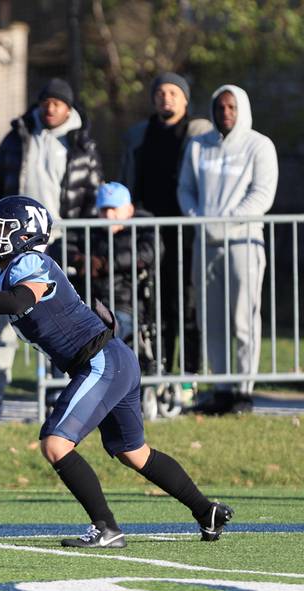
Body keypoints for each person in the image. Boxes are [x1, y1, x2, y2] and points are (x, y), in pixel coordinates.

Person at [0, 195, 232, 547]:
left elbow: (18, 301)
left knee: (55, 444)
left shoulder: (30, 262)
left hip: (101, 361)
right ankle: (207, 511)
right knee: (134, 452)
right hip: (109, 360)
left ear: (25, 235)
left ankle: (107, 527)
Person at [0, 77, 102, 413]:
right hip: (13, 239)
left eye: (58, 103)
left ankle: (55, 387)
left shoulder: (82, 143)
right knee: (4, 311)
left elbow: (91, 195)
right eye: (46, 102)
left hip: (61, 240)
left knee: (56, 316)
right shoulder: (18, 136)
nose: (50, 108)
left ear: (69, 107)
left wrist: (82, 243)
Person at [178, 85, 278, 415]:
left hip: (243, 241)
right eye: (220, 107)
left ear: (242, 109)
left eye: (232, 107)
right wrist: (199, 219)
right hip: (205, 243)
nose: (226, 113)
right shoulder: (198, 145)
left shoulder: (259, 145)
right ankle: (221, 389)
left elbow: (262, 194)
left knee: (243, 318)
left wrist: (228, 221)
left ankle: (243, 391)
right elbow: (186, 189)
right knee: (212, 319)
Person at [121, 72, 212, 395]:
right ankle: (158, 374)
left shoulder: (200, 136)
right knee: (153, 307)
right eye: (160, 92)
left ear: (185, 99)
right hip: (148, 235)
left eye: (174, 92)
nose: (166, 98)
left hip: (186, 234)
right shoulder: (139, 137)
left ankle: (187, 376)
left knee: (186, 306)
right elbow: (129, 182)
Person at [66, 182, 160, 344]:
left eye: (114, 209)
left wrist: (106, 264)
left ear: (129, 210)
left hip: (125, 307)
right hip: (88, 304)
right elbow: (61, 246)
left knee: (100, 334)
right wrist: (80, 261)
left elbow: (149, 252)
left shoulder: (142, 227)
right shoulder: (87, 226)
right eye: (104, 209)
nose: (109, 215)